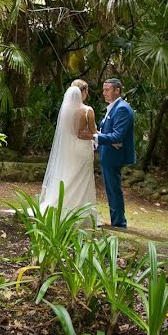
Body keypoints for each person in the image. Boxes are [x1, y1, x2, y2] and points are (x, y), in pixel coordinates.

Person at [39, 79, 99, 226]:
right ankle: (83, 213)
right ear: (83, 92)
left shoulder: (66, 111)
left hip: (69, 150)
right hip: (83, 149)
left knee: (68, 176)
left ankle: (60, 206)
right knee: (83, 179)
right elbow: (93, 131)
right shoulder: (87, 110)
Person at [95, 78, 135, 228]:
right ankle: (116, 219)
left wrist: (95, 136)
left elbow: (118, 136)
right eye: (104, 89)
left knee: (113, 188)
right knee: (111, 188)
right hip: (109, 152)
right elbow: (110, 133)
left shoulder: (122, 108)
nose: (104, 93)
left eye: (107, 89)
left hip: (114, 155)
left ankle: (119, 222)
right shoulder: (114, 107)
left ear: (117, 90)